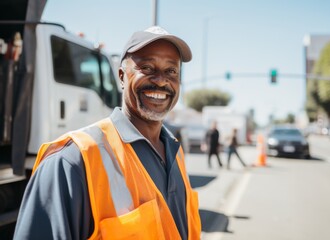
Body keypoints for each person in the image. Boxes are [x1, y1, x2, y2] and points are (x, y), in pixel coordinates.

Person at [14, 26, 201, 240]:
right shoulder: (72, 162)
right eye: (147, 67)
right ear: (121, 77)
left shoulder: (176, 153)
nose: (161, 80)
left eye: (171, 71)